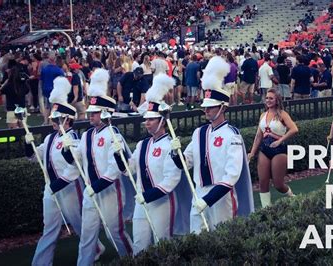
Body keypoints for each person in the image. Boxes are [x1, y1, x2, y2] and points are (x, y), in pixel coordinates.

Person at [170, 56, 254, 233]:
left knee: (222, 241)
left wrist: (208, 200)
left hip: (221, 197)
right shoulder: (199, 133)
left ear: (223, 107)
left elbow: (232, 175)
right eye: (205, 107)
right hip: (199, 193)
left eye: (211, 107)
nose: (206, 110)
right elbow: (187, 163)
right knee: (196, 240)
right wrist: (175, 154)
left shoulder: (232, 135)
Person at [27, 76, 104, 265]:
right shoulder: (49, 138)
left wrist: (59, 183)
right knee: (50, 228)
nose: (53, 121)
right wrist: (28, 144)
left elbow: (75, 168)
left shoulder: (75, 139)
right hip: (51, 189)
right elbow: (34, 157)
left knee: (79, 225)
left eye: (57, 119)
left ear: (67, 120)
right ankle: (41, 263)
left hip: (69, 189)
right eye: (54, 118)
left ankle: (96, 248)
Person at [63, 68, 134, 265]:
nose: (90, 115)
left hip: (110, 191)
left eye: (94, 113)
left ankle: (131, 260)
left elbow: (115, 169)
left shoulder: (113, 135)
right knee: (87, 235)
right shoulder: (86, 135)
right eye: (90, 112)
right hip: (90, 192)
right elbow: (76, 159)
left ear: (103, 113)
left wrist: (96, 187)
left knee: (115, 232)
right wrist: (67, 151)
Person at [124, 74, 188, 255]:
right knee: (139, 246)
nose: (147, 122)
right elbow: (130, 169)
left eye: (151, 119)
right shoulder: (142, 144)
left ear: (161, 121)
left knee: (162, 245)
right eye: (146, 119)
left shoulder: (170, 145)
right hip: (141, 202)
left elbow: (171, 179)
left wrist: (149, 195)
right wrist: (118, 156)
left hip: (162, 202)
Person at [248, 88, 298, 207]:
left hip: (279, 150)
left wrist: (280, 140)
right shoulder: (263, 115)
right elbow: (259, 135)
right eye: (267, 98)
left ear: (277, 100)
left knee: (278, 184)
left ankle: (292, 197)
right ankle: (267, 209)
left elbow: (294, 129)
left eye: (271, 98)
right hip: (264, 150)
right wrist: (252, 152)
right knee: (263, 181)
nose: (268, 100)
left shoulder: (282, 114)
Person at [0, 62, 30, 128]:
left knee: (12, 133)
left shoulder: (8, 85)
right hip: (22, 108)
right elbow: (27, 91)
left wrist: (4, 84)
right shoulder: (23, 84)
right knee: (23, 131)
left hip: (11, 110)